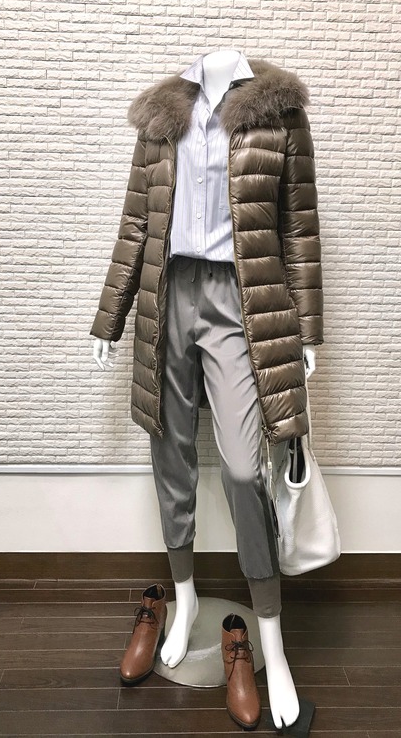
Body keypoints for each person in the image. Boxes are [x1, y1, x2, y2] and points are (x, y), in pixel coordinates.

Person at [91, 49, 323, 731]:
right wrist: (109, 318)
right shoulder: (164, 113)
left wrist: (307, 331)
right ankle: (184, 595)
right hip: (167, 295)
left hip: (240, 299)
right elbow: (137, 222)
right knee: (172, 458)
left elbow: (298, 227)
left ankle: (273, 643)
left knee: (246, 468)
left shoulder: (279, 113)